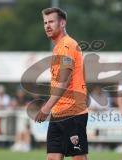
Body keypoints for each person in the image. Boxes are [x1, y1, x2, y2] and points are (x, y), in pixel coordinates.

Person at [34, 7, 88, 160]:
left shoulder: (67, 45)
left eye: (51, 21)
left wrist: (45, 108)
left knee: (78, 157)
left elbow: (64, 82)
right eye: (45, 22)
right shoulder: (58, 47)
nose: (47, 26)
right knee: (53, 157)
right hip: (58, 113)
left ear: (63, 23)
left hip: (72, 113)